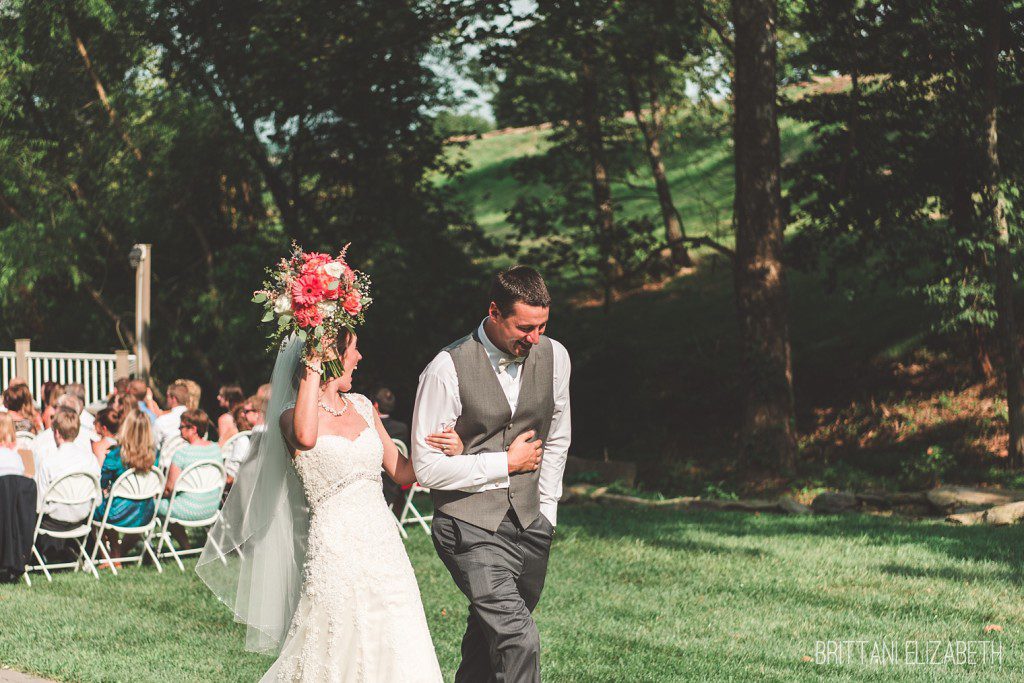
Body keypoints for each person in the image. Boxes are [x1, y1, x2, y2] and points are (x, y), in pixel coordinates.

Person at [198, 330, 443, 681]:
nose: (359, 359)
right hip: (335, 546)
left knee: (396, 635)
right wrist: (315, 358)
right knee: (336, 641)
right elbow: (307, 438)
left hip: (384, 544)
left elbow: (403, 471)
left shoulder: (362, 406)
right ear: (328, 355)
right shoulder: (290, 417)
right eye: (354, 351)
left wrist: (435, 446)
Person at [411, 266, 572, 683]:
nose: (534, 339)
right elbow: (426, 467)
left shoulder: (556, 357)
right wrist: (506, 463)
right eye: (524, 328)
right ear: (494, 312)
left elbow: (557, 437)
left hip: (531, 522)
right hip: (469, 525)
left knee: (489, 639)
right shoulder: (445, 369)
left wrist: (547, 513)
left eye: (542, 327)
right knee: (518, 639)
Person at [93, 409, 158, 562]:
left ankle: (110, 557)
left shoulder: (116, 455)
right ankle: (118, 556)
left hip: (118, 514)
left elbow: (102, 483)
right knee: (115, 506)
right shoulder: (154, 456)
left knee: (96, 509)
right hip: (146, 513)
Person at [34, 407, 100, 530]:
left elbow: (39, 505)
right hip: (82, 518)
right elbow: (98, 499)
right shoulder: (90, 459)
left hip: (53, 521)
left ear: (57, 433)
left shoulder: (48, 463)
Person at [158, 409, 222, 523]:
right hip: (212, 506)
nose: (179, 430)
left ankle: (130, 541)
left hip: (188, 509)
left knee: (151, 505)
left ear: (193, 429)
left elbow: (169, 489)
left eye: (181, 427)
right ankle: (184, 542)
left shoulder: (182, 454)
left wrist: (157, 495)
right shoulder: (216, 449)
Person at [373, 387, 410, 515]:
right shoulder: (401, 428)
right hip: (395, 481)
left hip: (377, 477)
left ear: (375, 405)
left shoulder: (371, 427)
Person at [223, 395, 264, 487]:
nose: (242, 414)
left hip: (244, 489)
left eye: (246, 411)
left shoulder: (244, 439)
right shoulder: (273, 434)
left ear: (258, 413)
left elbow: (231, 477)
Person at [153, 383, 189, 449]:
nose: (166, 399)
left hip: (167, 458)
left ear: (174, 399)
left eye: (167, 396)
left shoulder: (162, 421)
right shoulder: (194, 418)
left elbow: (154, 446)